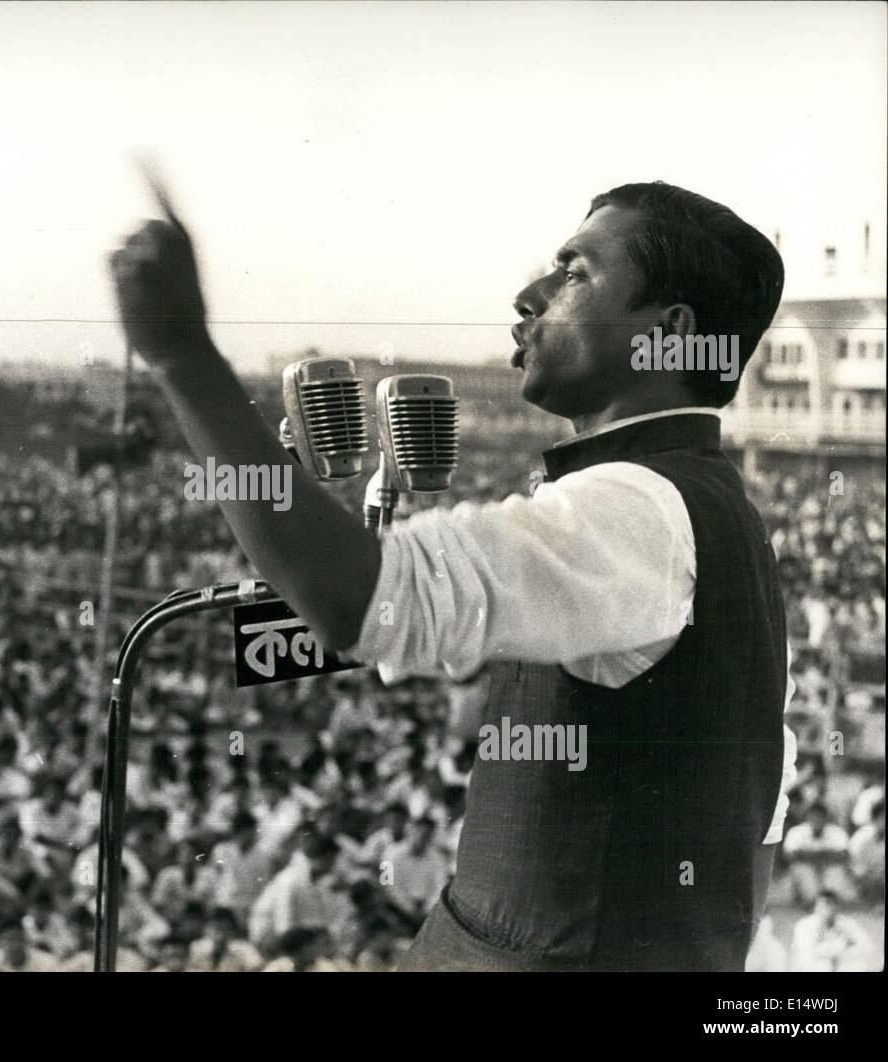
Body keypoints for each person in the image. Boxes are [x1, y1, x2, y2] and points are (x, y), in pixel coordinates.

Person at [110, 179, 792, 971]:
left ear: (669, 335)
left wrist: (180, 354)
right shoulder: (702, 510)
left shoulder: (637, 508)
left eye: (574, 274)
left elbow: (354, 600)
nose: (529, 294)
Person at [790, 890, 875, 972]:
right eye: (823, 906)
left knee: (859, 965)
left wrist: (838, 950)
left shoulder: (846, 922)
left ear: (837, 906)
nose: (828, 909)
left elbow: (866, 946)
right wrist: (842, 944)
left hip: (842, 965)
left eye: (831, 904)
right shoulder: (804, 925)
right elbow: (809, 952)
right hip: (814, 967)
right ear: (815, 907)